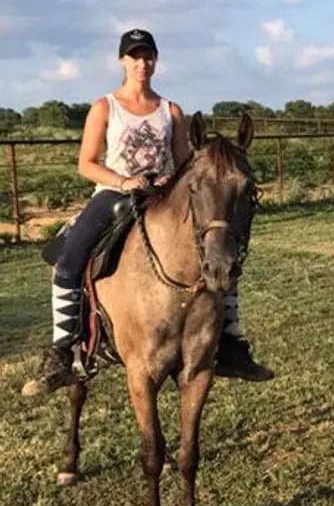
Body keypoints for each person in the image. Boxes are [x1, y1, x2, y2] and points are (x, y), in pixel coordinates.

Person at [37, 28, 273, 392]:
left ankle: (231, 345)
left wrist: (170, 182)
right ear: (122, 61)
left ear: (155, 61)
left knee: (219, 255)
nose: (142, 63)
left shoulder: (170, 110)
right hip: (113, 195)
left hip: (162, 197)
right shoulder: (105, 108)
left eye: (148, 56)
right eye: (134, 56)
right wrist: (124, 181)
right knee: (68, 262)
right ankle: (63, 349)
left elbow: (182, 162)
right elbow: (86, 163)